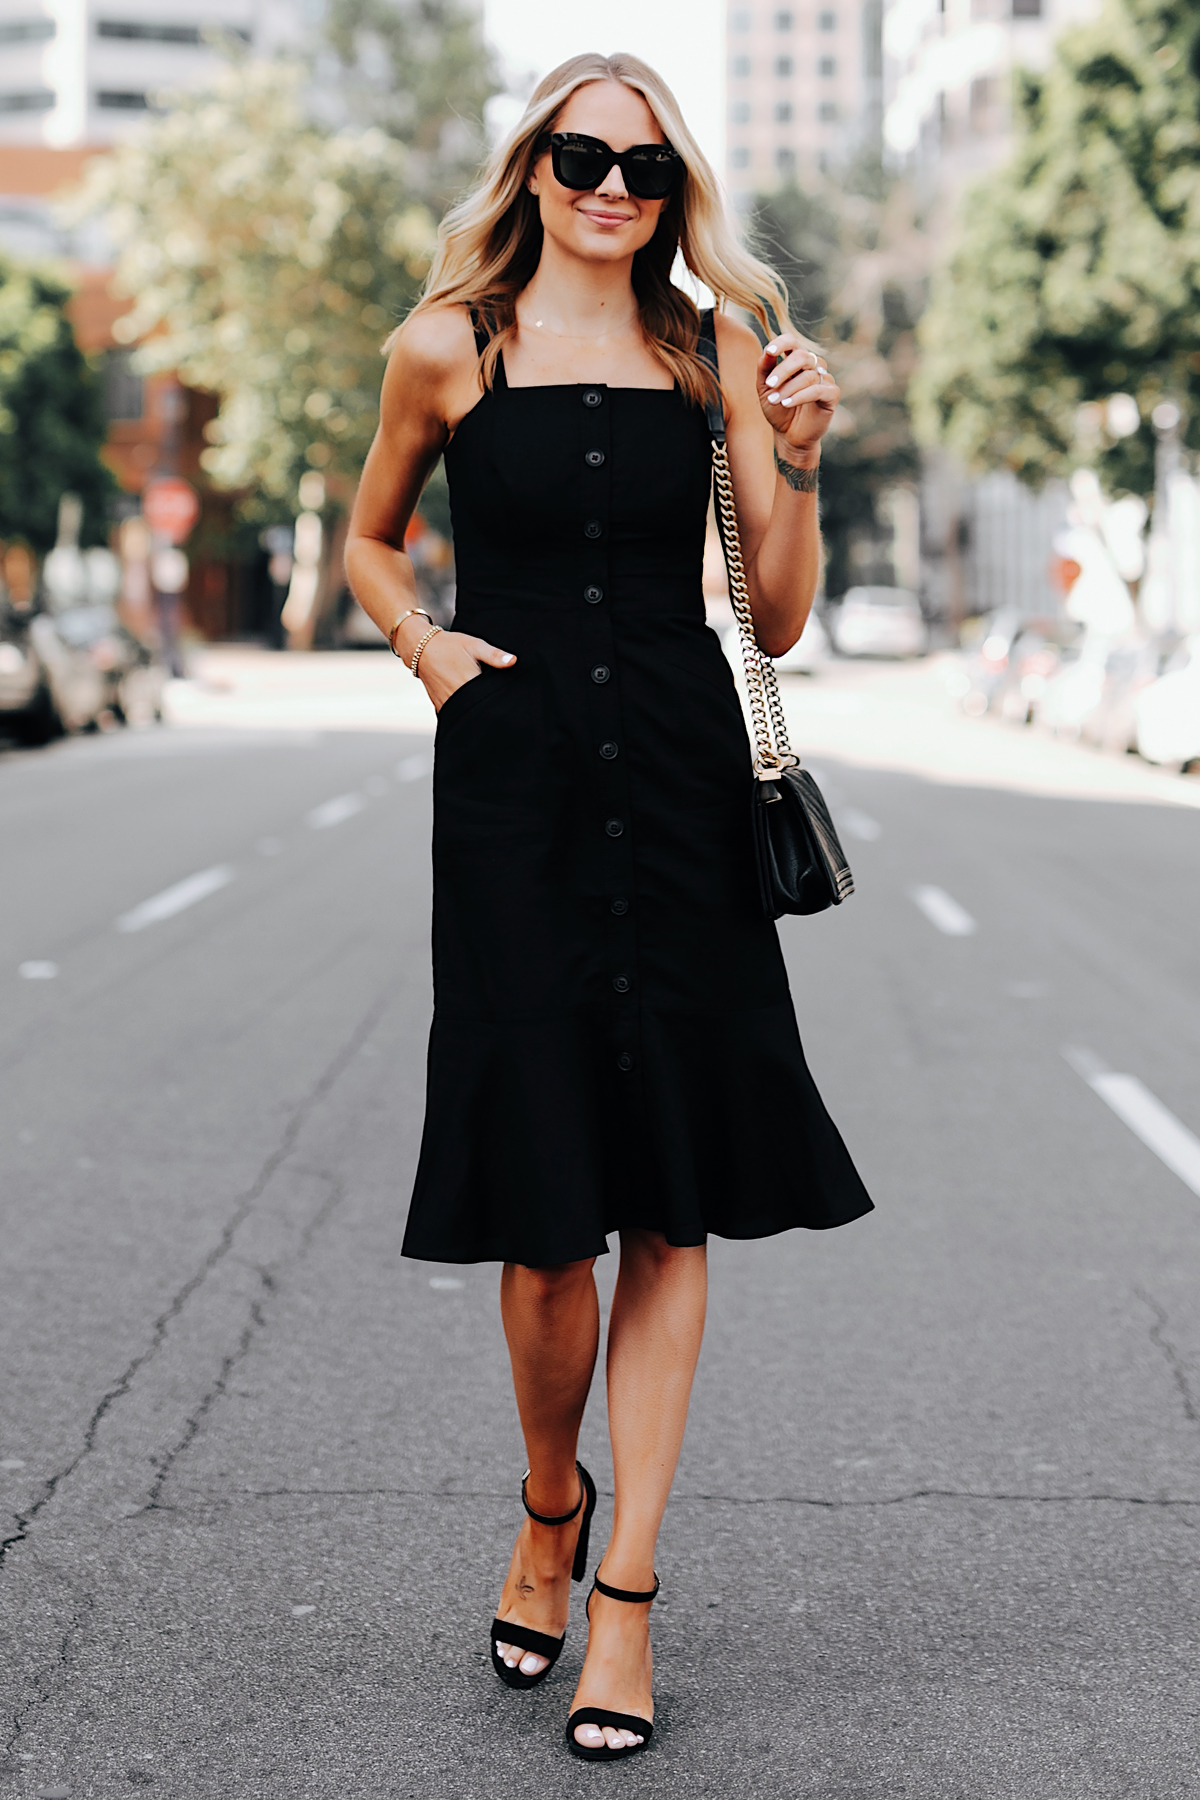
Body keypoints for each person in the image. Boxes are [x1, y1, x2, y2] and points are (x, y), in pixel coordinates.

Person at [345, 50, 873, 1763]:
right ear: (536, 167)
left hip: (682, 777)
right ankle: (552, 1502)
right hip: (512, 797)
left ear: (673, 184)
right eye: (583, 155)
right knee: (543, 1225)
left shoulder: (709, 345)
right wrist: (427, 648)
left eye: (644, 163)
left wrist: (795, 451)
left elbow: (776, 616)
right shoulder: (447, 346)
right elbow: (367, 542)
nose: (613, 185)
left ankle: (624, 1597)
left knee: (671, 1204)